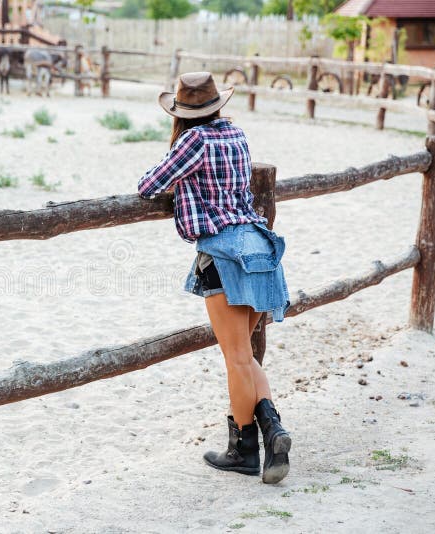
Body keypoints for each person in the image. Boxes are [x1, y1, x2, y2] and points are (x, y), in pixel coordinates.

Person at [136, 72, 292, 484]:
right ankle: (273, 429)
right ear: (217, 104)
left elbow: (149, 185)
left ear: (183, 111)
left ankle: (243, 451)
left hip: (224, 254)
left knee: (236, 358)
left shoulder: (194, 141)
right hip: (259, 246)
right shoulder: (237, 135)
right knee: (245, 355)